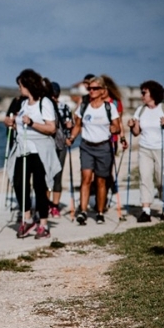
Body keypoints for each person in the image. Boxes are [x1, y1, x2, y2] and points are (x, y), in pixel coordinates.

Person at [5, 69, 61, 238]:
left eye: (21, 85)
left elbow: (51, 128)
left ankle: (43, 223)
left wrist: (32, 123)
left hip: (40, 151)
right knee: (19, 183)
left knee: (40, 187)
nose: (19, 88)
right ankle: (28, 219)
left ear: (28, 85)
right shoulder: (23, 104)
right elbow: (22, 127)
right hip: (23, 150)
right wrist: (12, 124)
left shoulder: (45, 103)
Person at [66, 76, 121, 225]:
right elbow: (77, 125)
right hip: (86, 146)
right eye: (89, 88)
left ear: (103, 90)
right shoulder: (84, 106)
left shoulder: (109, 107)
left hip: (104, 147)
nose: (91, 91)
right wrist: (71, 138)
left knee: (101, 181)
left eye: (95, 88)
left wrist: (114, 129)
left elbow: (117, 126)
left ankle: (100, 212)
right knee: (86, 178)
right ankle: (83, 212)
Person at [129, 80, 164, 222]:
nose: (142, 95)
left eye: (144, 93)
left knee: (161, 180)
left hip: (161, 148)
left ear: (153, 94)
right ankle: (146, 210)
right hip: (145, 148)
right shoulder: (141, 110)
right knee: (145, 178)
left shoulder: (163, 108)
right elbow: (136, 132)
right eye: (142, 92)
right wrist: (132, 126)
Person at [47, 82, 74, 217]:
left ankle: (55, 205)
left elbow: (71, 124)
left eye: (55, 95)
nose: (54, 98)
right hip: (48, 144)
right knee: (47, 175)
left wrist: (69, 135)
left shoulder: (64, 107)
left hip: (61, 144)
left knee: (58, 175)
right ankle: (46, 203)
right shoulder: (46, 107)